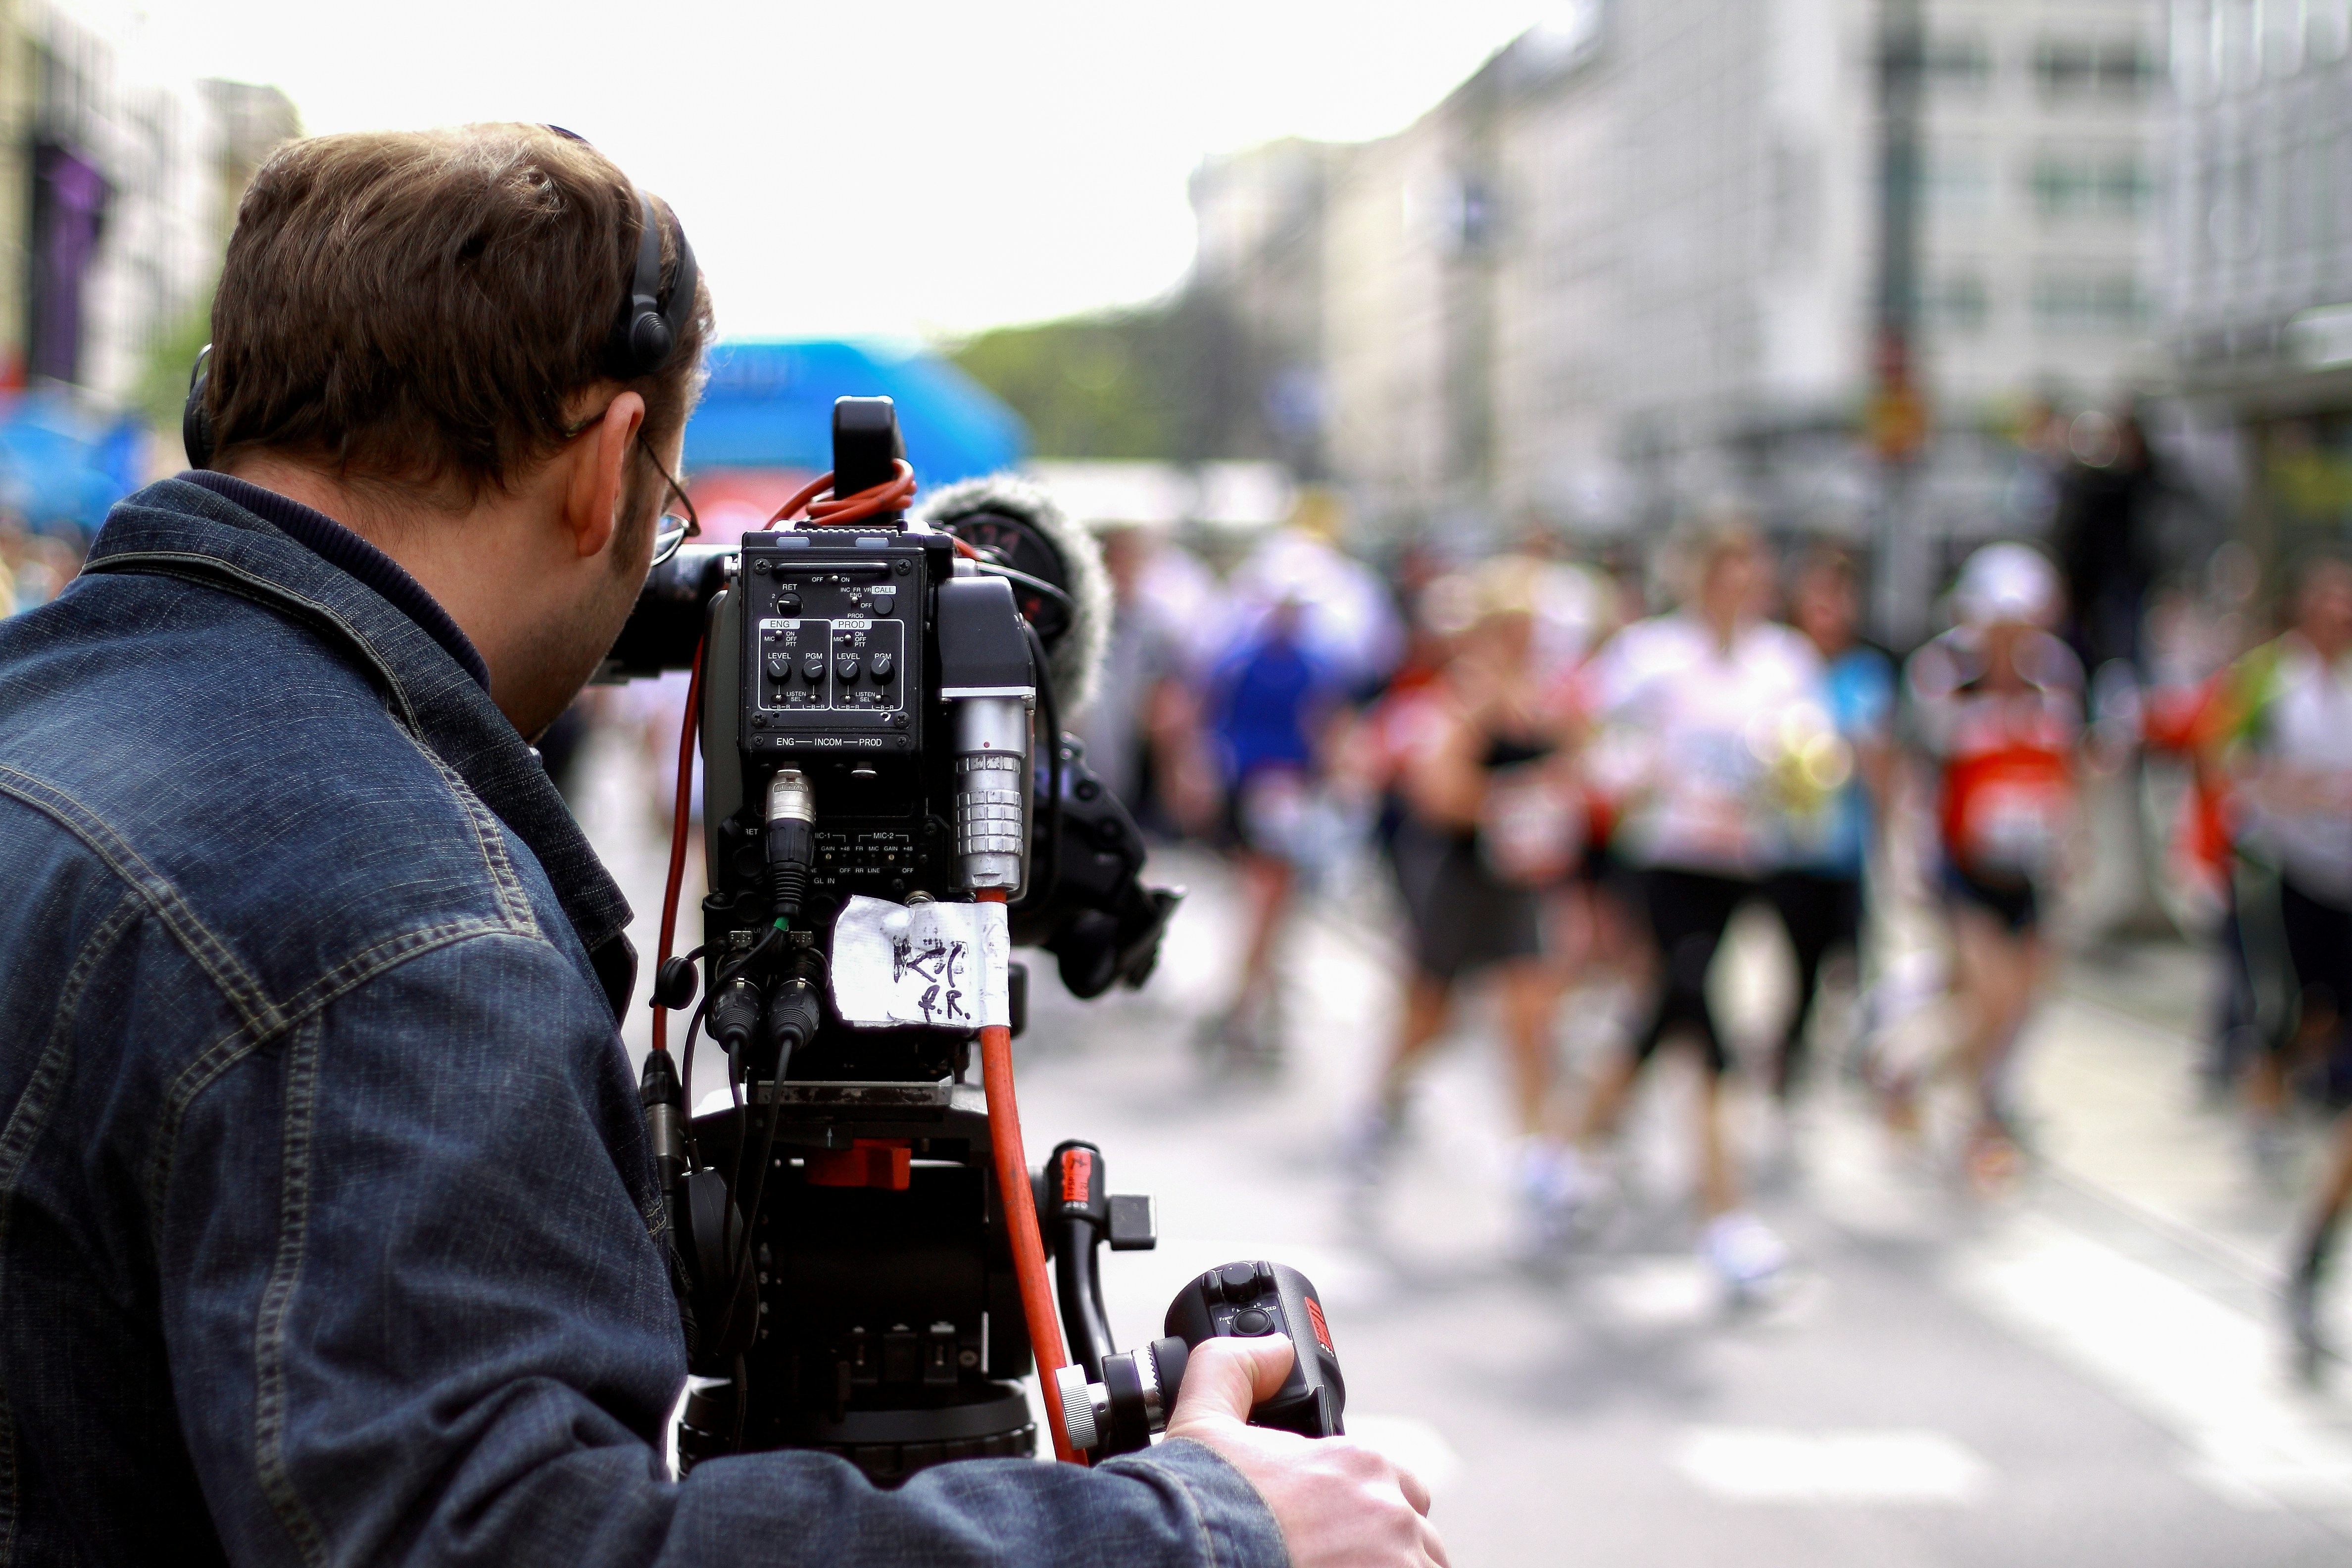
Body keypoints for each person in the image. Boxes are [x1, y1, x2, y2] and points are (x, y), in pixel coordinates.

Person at [0, 126, 1439, 1568]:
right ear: (606, 464)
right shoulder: (400, 929)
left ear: (217, 404)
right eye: (668, 504)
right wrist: (1193, 1528)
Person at [1560, 522, 1822, 1294]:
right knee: (1704, 1019)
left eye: (1750, 571)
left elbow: (1810, 753)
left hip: (1743, 863)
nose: (1738, 586)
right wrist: (1626, 775)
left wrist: (1797, 780)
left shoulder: (1783, 660)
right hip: (1667, 860)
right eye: (1723, 570)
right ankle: (1725, 1218)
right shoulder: (1653, 655)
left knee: (1659, 1020)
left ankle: (1565, 1154)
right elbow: (1585, 725)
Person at [1344, 562, 1579, 1248]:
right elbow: (1438, 792)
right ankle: (1381, 1111)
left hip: (1517, 877)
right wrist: (1509, 806)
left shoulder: (1542, 697)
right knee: (1431, 1013)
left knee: (1531, 1017)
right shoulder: (1464, 698)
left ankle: (1539, 1166)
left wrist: (1552, 807)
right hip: (1457, 873)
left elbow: (1571, 769)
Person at [1899, 542, 2084, 1191]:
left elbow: (2068, 767)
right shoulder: (1944, 676)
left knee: (2020, 1001)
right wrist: (1914, 858)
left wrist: (2072, 842)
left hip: (2029, 866)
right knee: (1989, 994)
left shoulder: (2056, 676)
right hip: (1965, 864)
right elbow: (1925, 775)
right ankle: (1976, 1119)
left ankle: (1918, 1072)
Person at [2214, 552, 2352, 1370]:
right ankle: (2309, 1257)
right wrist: (2287, 792)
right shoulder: (2271, 678)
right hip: (2287, 871)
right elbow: (2227, 762)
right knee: (2294, 1013)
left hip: (2348, 881)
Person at [1764, 547, 1894, 1102]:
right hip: (1784, 847)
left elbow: (1882, 761)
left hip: (1845, 846)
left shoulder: (1866, 674)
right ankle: (1786, 1057)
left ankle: (1851, 1057)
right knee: (1796, 962)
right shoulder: (1777, 663)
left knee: (1850, 958)